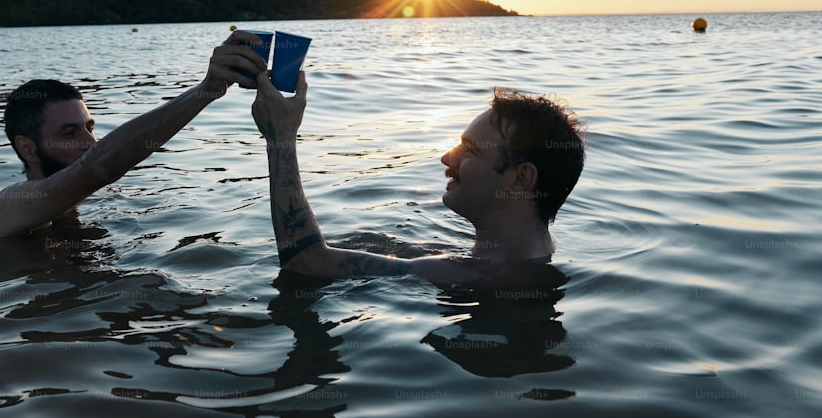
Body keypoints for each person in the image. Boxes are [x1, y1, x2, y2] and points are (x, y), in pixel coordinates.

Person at [251, 72, 585, 290]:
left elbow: (306, 262)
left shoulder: (464, 275)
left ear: (520, 178)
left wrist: (280, 136)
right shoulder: (541, 253)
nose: (447, 159)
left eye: (469, 151)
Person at [0, 31, 268, 238]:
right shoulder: (5, 207)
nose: (90, 143)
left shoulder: (85, 205)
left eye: (89, 128)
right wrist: (205, 91)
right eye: (69, 133)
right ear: (28, 149)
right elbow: (96, 168)